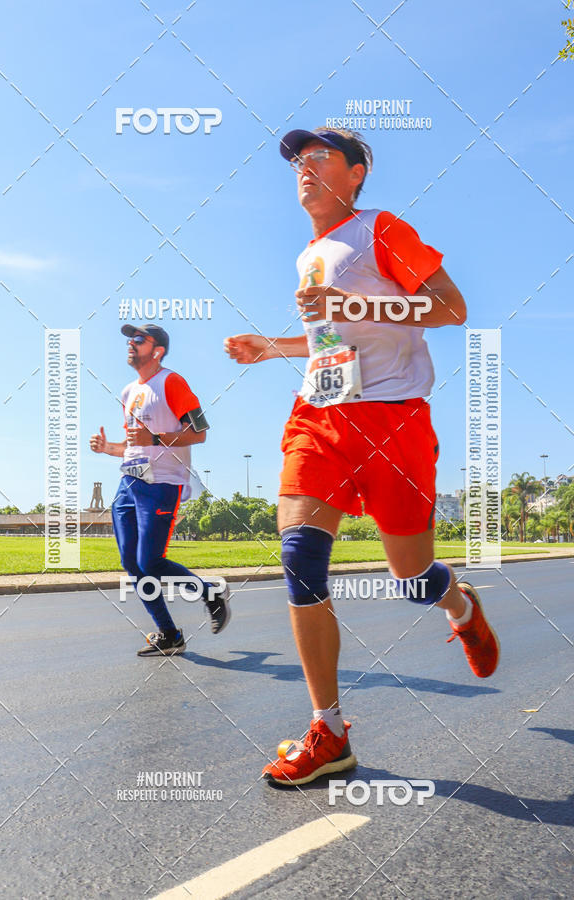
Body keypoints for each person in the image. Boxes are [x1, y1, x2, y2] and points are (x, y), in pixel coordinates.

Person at [225, 127, 499, 786]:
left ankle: (458, 603)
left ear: (355, 175)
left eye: (319, 156)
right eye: (298, 159)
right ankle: (330, 730)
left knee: (410, 579)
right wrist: (274, 347)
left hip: (395, 421)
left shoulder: (381, 227)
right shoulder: (309, 255)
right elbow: (334, 338)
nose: (303, 167)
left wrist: (351, 300)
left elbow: (450, 308)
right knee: (298, 556)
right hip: (320, 416)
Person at [90, 323, 230, 656]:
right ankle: (169, 634)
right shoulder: (128, 392)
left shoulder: (172, 381)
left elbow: (199, 433)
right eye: (128, 339)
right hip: (128, 484)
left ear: (157, 351)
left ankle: (210, 594)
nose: (130, 344)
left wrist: (156, 438)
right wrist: (106, 447)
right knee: (133, 563)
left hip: (162, 483)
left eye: (138, 339)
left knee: (150, 560)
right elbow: (132, 446)